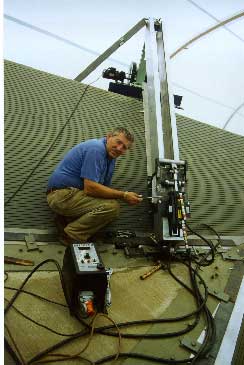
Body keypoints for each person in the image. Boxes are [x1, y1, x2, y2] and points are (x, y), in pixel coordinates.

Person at [46, 127, 143, 245]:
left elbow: (102, 191)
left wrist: (125, 196)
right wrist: (124, 195)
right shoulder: (96, 148)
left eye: (124, 148)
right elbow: (91, 188)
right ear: (108, 137)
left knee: (109, 203)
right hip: (62, 195)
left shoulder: (110, 160)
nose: (119, 148)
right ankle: (71, 234)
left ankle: (66, 221)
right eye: (118, 142)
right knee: (112, 207)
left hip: (72, 196)